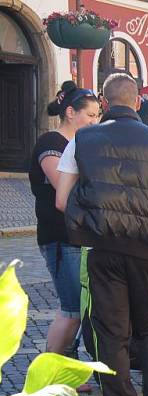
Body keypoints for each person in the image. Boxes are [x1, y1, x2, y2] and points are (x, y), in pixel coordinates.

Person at [55, 72, 148, 396]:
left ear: (104, 102)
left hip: (104, 248)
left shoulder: (82, 140)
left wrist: (93, 218)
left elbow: (62, 200)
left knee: (112, 335)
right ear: (137, 102)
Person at [28, 81, 100, 363]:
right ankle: (48, 370)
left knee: (82, 307)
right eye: (91, 115)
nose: (95, 120)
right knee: (71, 309)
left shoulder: (81, 144)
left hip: (81, 235)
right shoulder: (51, 143)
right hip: (60, 235)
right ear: (70, 112)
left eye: (97, 115)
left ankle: (67, 366)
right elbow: (64, 191)